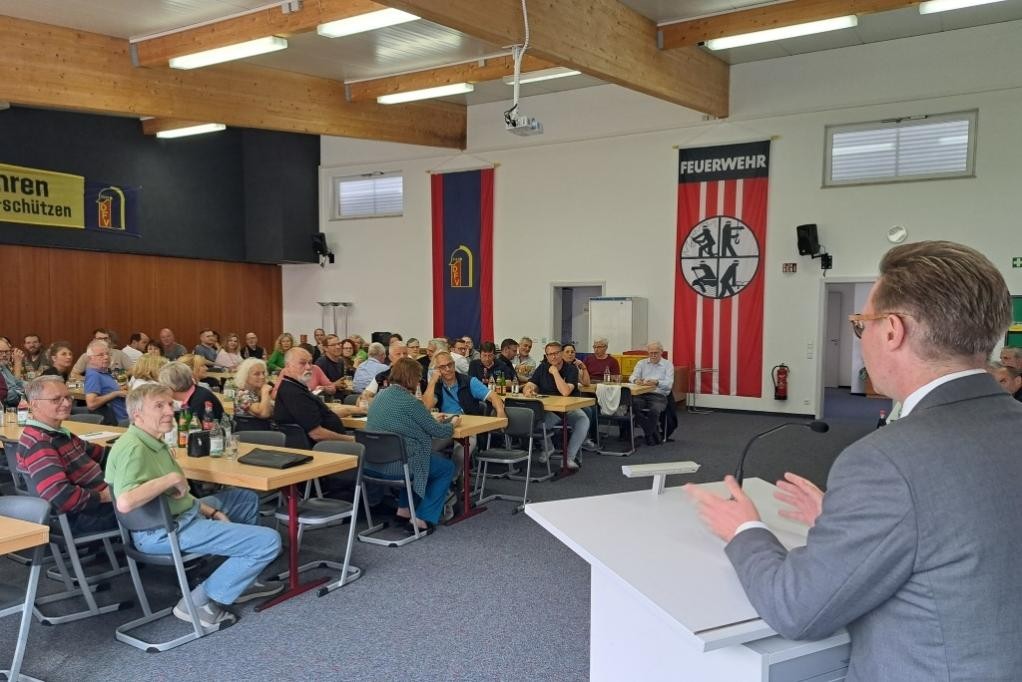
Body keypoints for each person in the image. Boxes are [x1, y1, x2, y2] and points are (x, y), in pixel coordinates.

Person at [686, 240, 1022, 681]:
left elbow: (798, 609)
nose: (861, 337)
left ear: (892, 331)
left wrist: (745, 530)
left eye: (861, 324)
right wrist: (856, 520)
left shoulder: (886, 461)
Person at [105, 383, 283, 628]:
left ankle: (241, 580)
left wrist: (211, 510)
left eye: (169, 404)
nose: (169, 411)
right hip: (163, 531)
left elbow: (179, 497)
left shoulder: (150, 441)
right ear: (137, 415)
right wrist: (173, 478)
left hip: (179, 515)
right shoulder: (135, 449)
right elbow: (125, 501)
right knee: (269, 541)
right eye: (159, 406)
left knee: (244, 499)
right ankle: (197, 602)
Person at [365, 357, 456, 532]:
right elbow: (438, 431)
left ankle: (404, 511)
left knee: (415, 457)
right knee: (445, 467)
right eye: (418, 377)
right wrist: (453, 424)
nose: (419, 381)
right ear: (411, 378)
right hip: (399, 467)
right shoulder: (411, 403)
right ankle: (422, 519)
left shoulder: (380, 396)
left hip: (372, 464)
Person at [16, 376, 117, 533]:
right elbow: (61, 496)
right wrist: (103, 496)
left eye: (68, 397)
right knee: (154, 499)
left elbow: (101, 454)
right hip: (85, 516)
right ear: (34, 404)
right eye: (56, 399)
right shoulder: (41, 442)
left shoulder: (58, 433)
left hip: (93, 507)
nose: (67, 403)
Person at [425, 350, 506, 474]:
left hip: (467, 428)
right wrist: (432, 381)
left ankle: (452, 479)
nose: (448, 369)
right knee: (427, 448)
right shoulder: (437, 386)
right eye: (442, 367)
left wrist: (500, 412)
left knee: (462, 450)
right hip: (445, 426)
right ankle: (441, 476)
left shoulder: (468, 382)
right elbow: (427, 406)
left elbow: (493, 396)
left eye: (450, 364)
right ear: (437, 370)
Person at [523, 342, 589, 470]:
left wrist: (555, 372)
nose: (553, 357)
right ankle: (548, 448)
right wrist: (528, 390)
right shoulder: (542, 367)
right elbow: (531, 383)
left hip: (568, 408)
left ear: (561, 354)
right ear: (546, 356)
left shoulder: (571, 370)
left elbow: (565, 392)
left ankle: (569, 457)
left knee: (583, 420)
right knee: (537, 425)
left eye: (556, 353)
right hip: (549, 409)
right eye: (550, 354)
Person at [273, 348, 354, 443]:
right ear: (288, 366)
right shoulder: (295, 393)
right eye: (302, 363)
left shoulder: (295, 386)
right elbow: (317, 434)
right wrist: (351, 440)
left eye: (310, 363)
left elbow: (318, 415)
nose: (308, 367)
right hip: (326, 447)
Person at [629, 341, 675, 446]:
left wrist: (657, 382)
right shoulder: (641, 363)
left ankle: (649, 434)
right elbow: (632, 377)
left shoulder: (668, 365)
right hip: (641, 394)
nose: (653, 355)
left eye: (656, 353)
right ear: (648, 353)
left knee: (654, 411)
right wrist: (636, 381)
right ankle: (652, 433)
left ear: (661, 352)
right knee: (633, 406)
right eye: (651, 353)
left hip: (658, 396)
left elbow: (669, 385)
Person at [159, 361, 224, 421]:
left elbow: (194, 431)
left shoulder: (200, 402)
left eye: (163, 386)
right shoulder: (196, 392)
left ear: (172, 386)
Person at [563, 343, 598, 450]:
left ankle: (589, 437)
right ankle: (583, 438)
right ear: (562, 354)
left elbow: (586, 383)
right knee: (587, 410)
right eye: (567, 352)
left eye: (572, 352)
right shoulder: (560, 366)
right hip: (565, 397)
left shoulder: (575, 367)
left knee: (593, 408)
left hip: (574, 397)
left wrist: (584, 368)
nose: (570, 354)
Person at [84, 340, 127, 425]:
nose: (106, 357)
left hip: (125, 417)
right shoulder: (94, 375)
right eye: (101, 355)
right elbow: (91, 404)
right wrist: (116, 393)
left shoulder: (103, 372)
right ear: (90, 358)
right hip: (120, 423)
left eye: (108, 354)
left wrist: (120, 390)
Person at [0, 336, 26, 407]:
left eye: (7, 351)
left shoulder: (4, 367)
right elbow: (12, 399)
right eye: (0, 352)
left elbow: (19, 386)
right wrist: (17, 364)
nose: (4, 355)